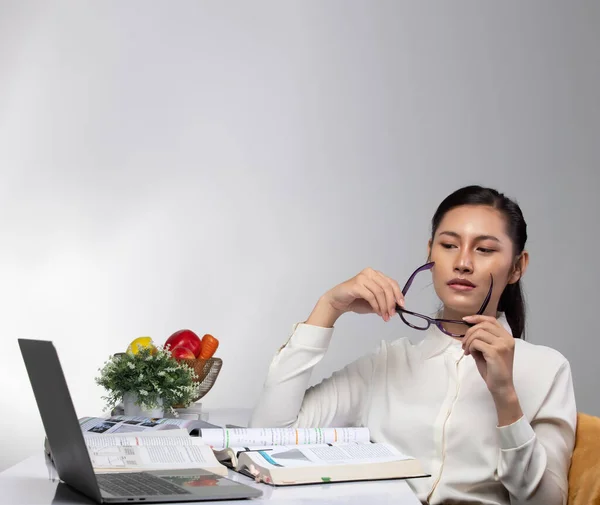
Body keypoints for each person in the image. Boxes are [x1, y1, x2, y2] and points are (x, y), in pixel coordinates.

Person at [249, 185, 577, 505]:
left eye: (484, 249)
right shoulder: (385, 365)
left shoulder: (547, 370)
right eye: (449, 245)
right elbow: (265, 437)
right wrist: (329, 306)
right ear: (430, 252)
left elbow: (547, 501)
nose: (463, 262)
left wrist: (505, 396)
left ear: (517, 267)